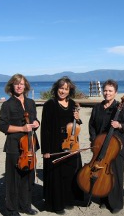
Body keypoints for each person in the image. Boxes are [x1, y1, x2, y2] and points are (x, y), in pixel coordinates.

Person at [41, 76, 84, 215]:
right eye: (61, 88)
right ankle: (57, 205)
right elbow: (45, 128)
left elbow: (76, 124)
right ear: (56, 88)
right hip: (54, 142)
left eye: (66, 89)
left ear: (69, 90)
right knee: (56, 174)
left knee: (69, 172)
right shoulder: (49, 104)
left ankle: (68, 200)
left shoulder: (72, 104)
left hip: (70, 142)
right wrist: (45, 150)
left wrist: (78, 118)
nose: (63, 91)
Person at [0, 74, 40, 216]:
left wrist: (36, 124)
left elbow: (35, 120)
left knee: (27, 179)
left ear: (25, 86)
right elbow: (3, 126)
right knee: (13, 179)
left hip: (30, 145)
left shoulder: (31, 103)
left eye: (21, 83)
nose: (19, 86)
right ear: (12, 86)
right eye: (16, 84)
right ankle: (11, 210)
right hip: (14, 146)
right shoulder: (7, 104)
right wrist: (22, 129)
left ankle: (25, 206)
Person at [88, 79, 124, 214]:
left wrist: (120, 125)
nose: (107, 93)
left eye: (110, 91)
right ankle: (104, 200)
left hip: (116, 147)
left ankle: (116, 203)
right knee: (102, 174)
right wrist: (94, 140)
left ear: (115, 92)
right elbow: (92, 125)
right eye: (105, 90)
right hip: (100, 146)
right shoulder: (97, 108)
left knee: (116, 174)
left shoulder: (121, 108)